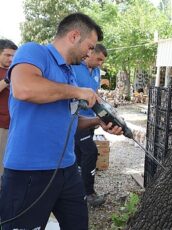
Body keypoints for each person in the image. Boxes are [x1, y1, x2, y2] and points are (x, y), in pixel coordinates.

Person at [0, 13, 122, 230]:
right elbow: (24, 88)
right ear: (74, 36)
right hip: (29, 172)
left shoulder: (70, 74)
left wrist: (97, 121)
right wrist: (78, 92)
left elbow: (69, 122)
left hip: (67, 170)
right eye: (90, 46)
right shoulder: (34, 51)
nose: (90, 52)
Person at [71, 44, 107, 206]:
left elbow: (96, 95)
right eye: (99, 59)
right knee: (90, 152)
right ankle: (89, 193)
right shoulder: (74, 67)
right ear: (90, 53)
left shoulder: (97, 72)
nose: (100, 63)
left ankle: (76, 191)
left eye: (103, 61)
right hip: (75, 120)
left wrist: (103, 113)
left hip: (91, 120)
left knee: (79, 155)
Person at [0, 39, 17, 184]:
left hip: (15, 125)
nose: (11, 59)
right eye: (7, 55)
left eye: (13, 56)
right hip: (1, 126)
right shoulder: (8, 74)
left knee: (11, 164)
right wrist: (7, 79)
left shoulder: (16, 70)